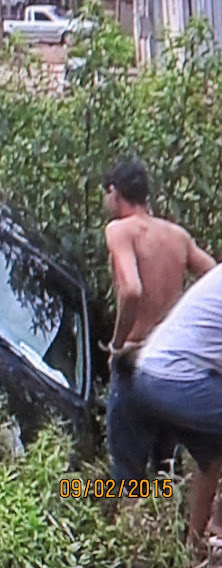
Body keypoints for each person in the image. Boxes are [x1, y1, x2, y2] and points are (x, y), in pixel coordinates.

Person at [103, 158, 215, 474]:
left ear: (114, 192)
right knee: (165, 467)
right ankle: (158, 520)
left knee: (127, 471)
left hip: (136, 359)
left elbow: (132, 290)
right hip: (172, 364)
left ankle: (126, 518)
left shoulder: (120, 231)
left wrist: (117, 344)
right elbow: (213, 276)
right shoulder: (177, 236)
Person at [107, 264, 222, 549]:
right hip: (173, 383)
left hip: (134, 376)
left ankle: (184, 548)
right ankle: (206, 536)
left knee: (209, 459)